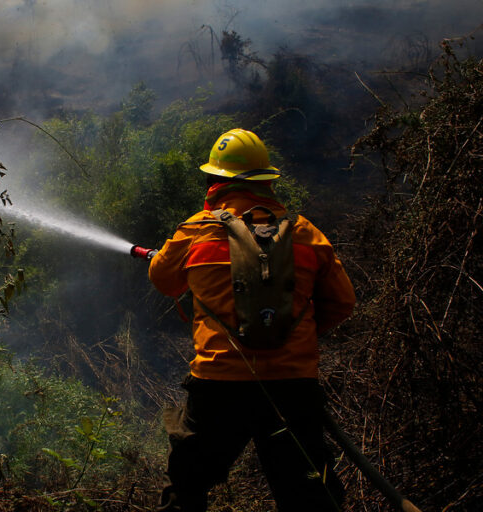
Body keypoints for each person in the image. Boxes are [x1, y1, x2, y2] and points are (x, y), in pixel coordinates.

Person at [148, 128, 356, 512]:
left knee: (186, 487)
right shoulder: (306, 234)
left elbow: (163, 280)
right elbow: (343, 302)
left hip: (218, 386)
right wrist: (291, 336)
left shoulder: (196, 230)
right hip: (293, 386)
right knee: (310, 496)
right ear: (265, 182)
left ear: (216, 182)